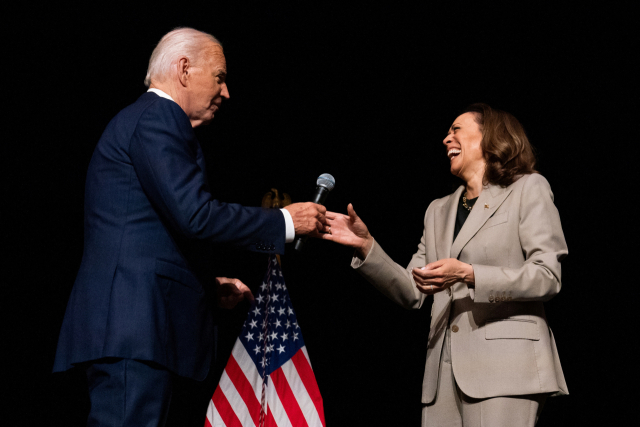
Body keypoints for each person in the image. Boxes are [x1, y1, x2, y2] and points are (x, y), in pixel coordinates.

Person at [53, 28, 327, 426]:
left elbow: (146, 231)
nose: (226, 92)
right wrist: (286, 221)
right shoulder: (157, 118)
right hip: (135, 329)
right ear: (184, 69)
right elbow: (195, 215)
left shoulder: (149, 121)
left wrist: (203, 285)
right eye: (220, 76)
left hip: (139, 326)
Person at [322, 103, 568, 426]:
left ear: (489, 137)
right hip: (442, 379)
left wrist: (470, 275)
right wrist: (367, 245)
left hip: (505, 369)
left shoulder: (528, 189)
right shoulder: (437, 211)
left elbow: (547, 276)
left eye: (456, 130)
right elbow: (412, 289)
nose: (446, 139)